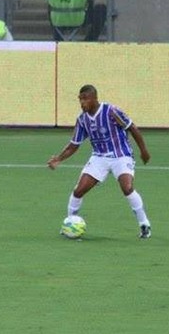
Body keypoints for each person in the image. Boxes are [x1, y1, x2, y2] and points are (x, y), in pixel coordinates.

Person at [47, 85, 152, 238]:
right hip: (99, 157)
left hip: (121, 155)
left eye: (85, 99)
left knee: (127, 187)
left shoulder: (111, 111)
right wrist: (59, 158)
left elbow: (132, 128)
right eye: (80, 100)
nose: (82, 103)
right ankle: (69, 223)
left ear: (95, 99)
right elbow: (74, 144)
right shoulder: (82, 120)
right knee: (78, 190)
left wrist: (143, 150)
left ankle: (144, 225)